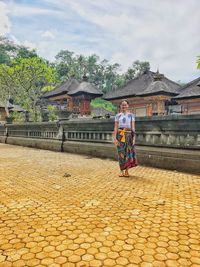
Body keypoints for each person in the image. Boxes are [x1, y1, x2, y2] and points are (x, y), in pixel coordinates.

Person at [114, 99, 138, 177]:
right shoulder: (118, 116)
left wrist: (134, 138)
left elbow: (133, 128)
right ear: (120, 106)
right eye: (122, 105)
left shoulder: (131, 115)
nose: (124, 106)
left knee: (128, 153)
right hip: (120, 136)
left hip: (128, 136)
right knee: (120, 153)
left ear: (128, 106)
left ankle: (127, 171)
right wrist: (115, 138)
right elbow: (115, 127)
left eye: (125, 104)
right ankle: (121, 171)